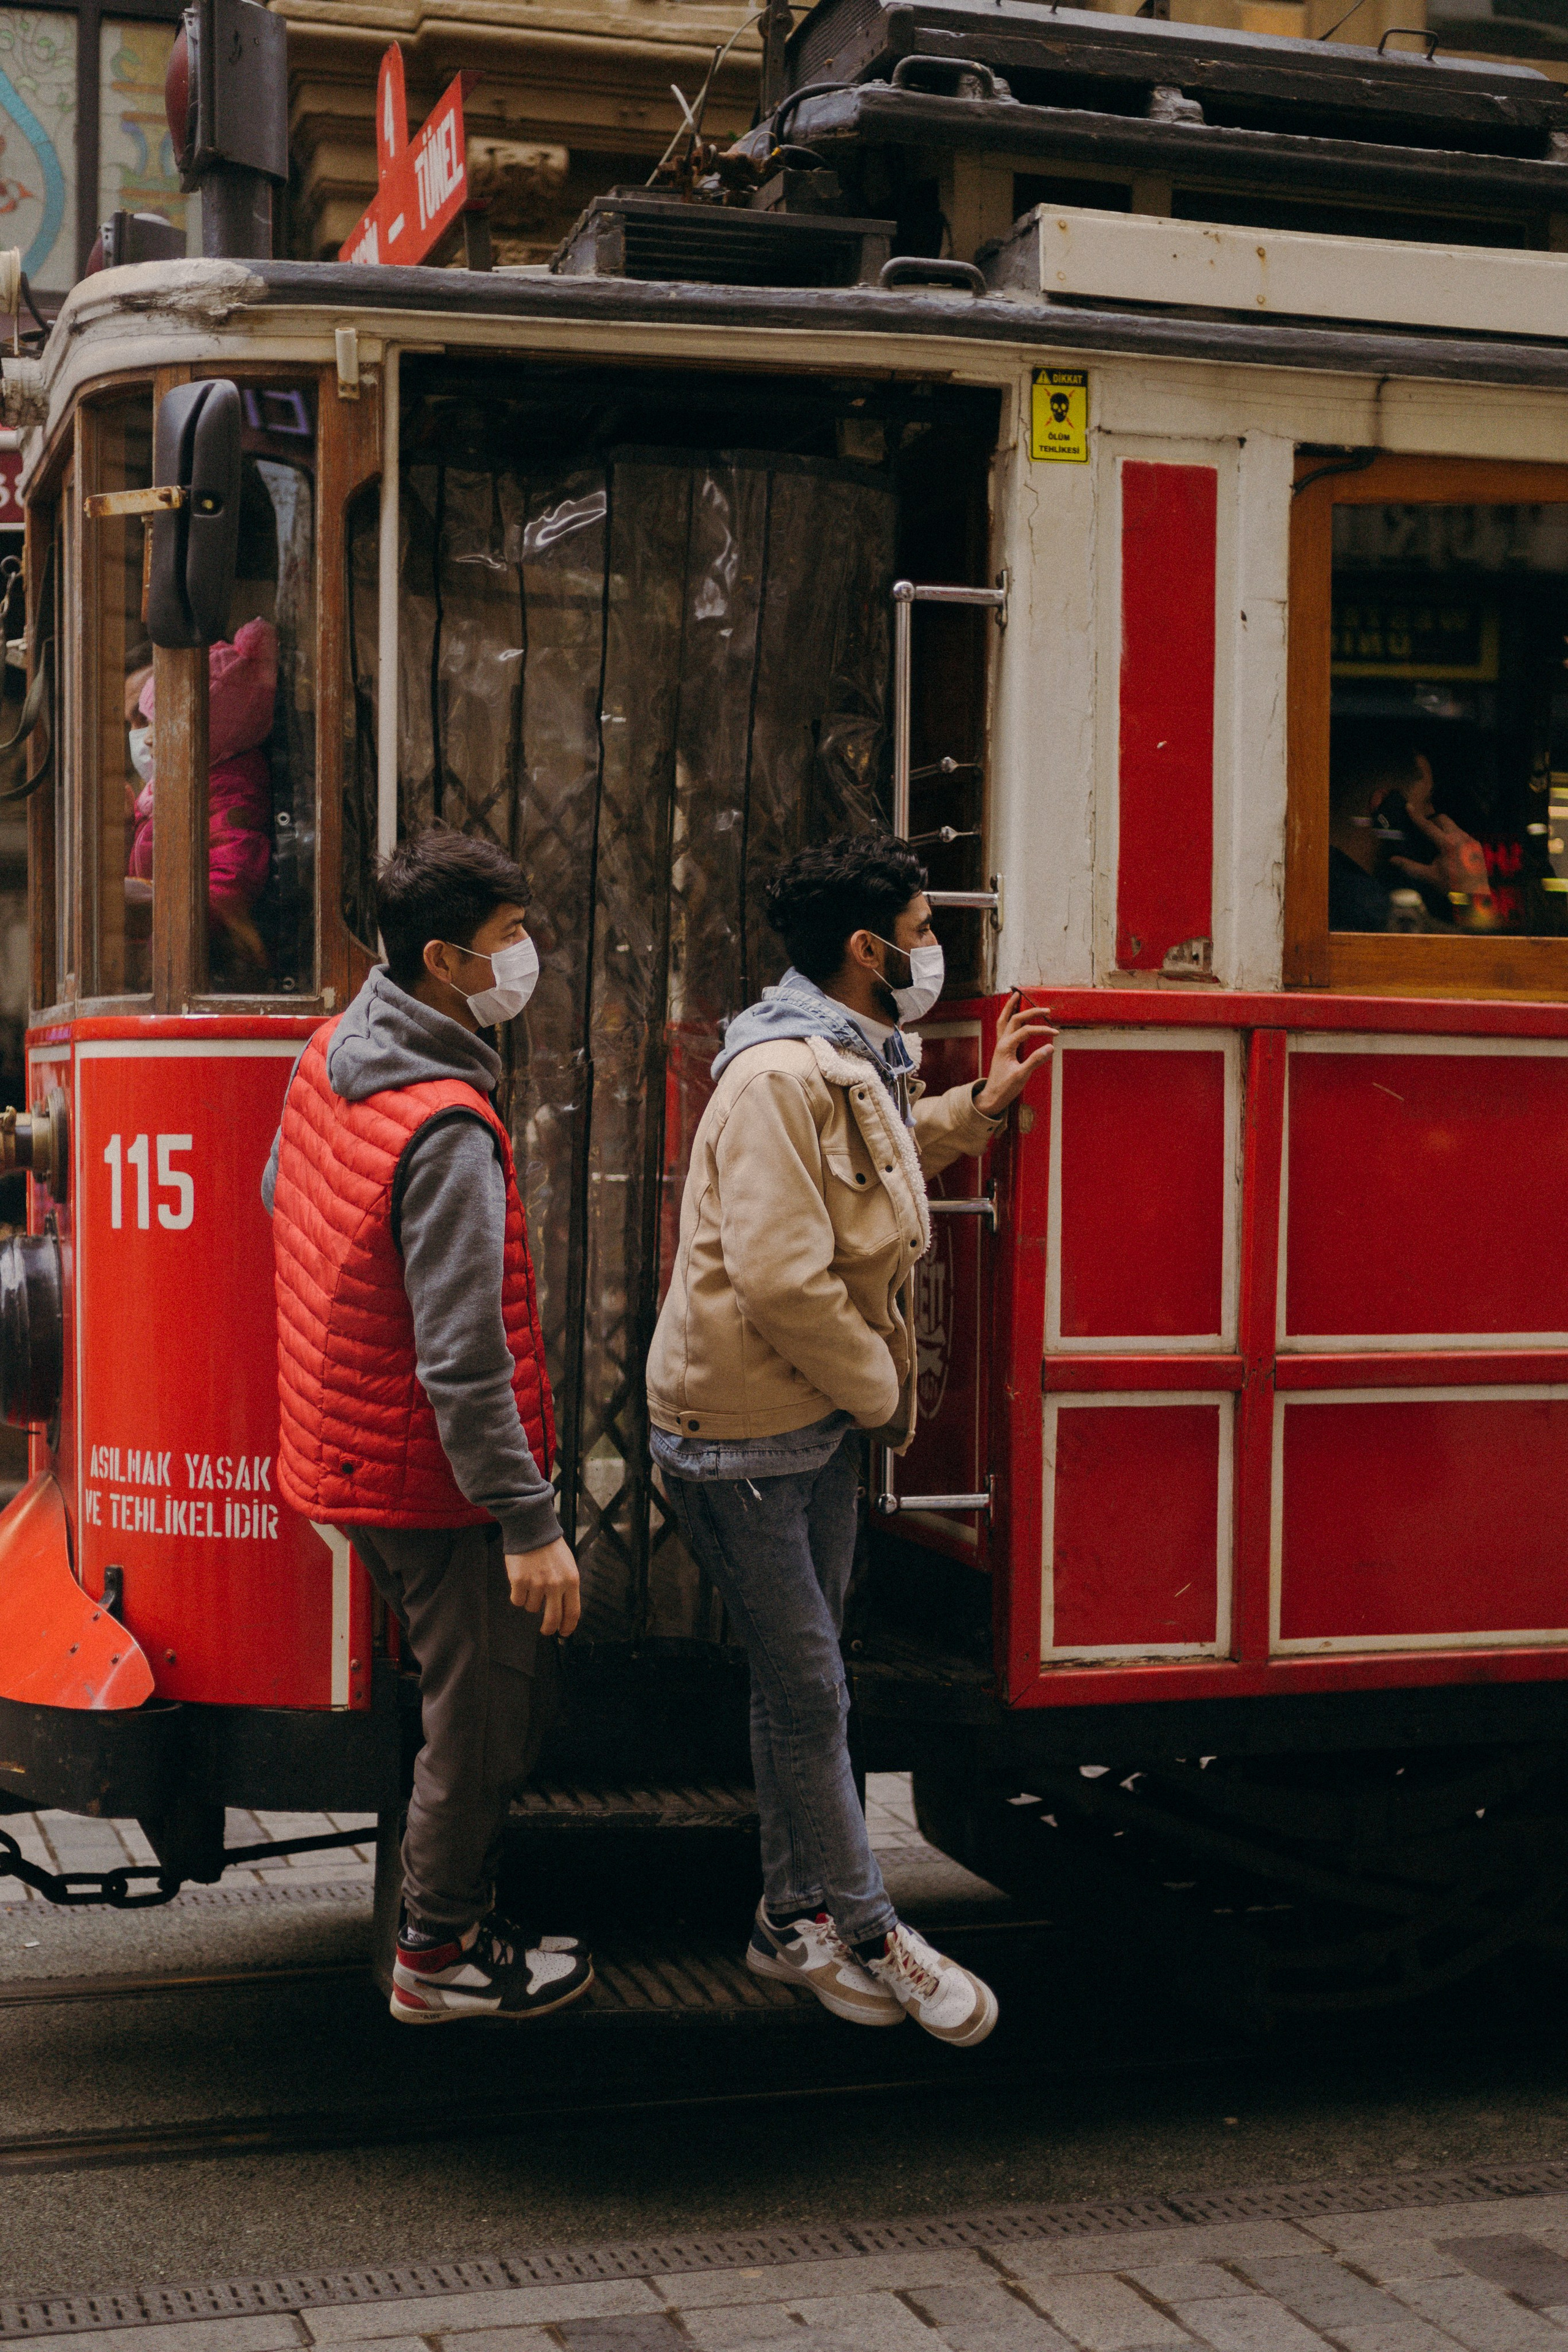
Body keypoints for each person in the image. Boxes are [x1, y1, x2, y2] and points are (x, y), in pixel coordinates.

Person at [647, 832, 1054, 2048]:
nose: (937, 951)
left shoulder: (841, 1056)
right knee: (815, 1688)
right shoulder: (783, 1075)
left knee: (796, 1685)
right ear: (867, 950)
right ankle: (876, 1934)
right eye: (925, 931)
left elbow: (868, 1169)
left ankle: (790, 1924)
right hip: (737, 1443)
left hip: (793, 1428)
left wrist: (974, 1112)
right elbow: (781, 1277)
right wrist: (878, 1389)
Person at [262, 827, 593, 2026]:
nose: (529, 958)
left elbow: (278, 1198)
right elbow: (463, 1357)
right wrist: (529, 1522)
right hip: (429, 1479)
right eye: (511, 940)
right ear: (448, 961)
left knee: (469, 1695)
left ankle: (453, 1916)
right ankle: (439, 1956)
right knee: (487, 1712)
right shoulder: (443, 1124)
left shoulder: (334, 1047)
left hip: (345, 1447)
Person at [128, 620, 277, 971]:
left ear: (206, 727)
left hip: (217, 964)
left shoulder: (230, 789)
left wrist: (159, 908)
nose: (146, 739)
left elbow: (232, 878)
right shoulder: (161, 793)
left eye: (159, 723)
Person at [1329, 725, 1497, 933]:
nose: (1433, 812)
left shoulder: (1326, 884)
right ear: (1384, 807)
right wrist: (1474, 891)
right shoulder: (1375, 913)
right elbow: (1482, 963)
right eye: (1426, 800)